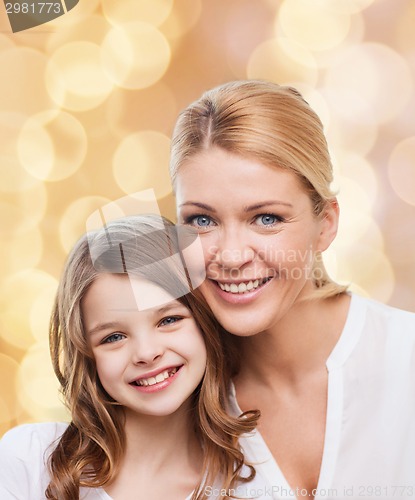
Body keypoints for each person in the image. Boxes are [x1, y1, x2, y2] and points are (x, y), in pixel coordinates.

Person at [169, 80, 415, 500]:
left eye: (266, 218)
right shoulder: (166, 393)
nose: (230, 257)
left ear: (326, 224)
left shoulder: (404, 358)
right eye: (202, 221)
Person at [0, 214, 269, 500]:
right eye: (113, 337)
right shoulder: (30, 461)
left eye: (168, 320)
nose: (147, 353)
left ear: (205, 323)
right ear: (87, 356)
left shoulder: (252, 485)